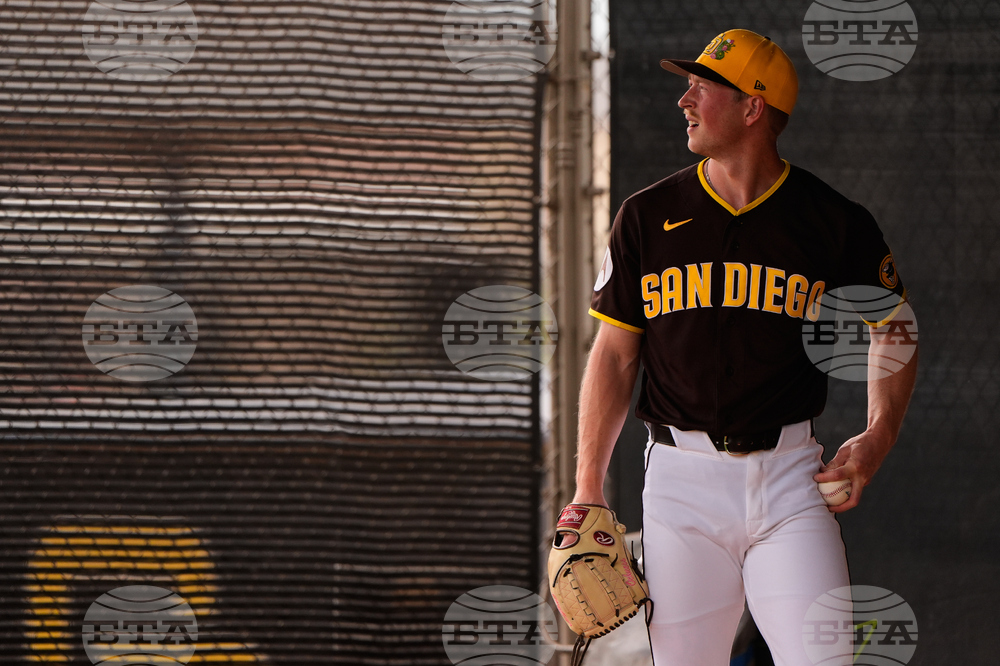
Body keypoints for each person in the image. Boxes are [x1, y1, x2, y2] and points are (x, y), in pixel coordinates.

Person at [571, 29, 918, 665]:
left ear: (753, 107)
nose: (685, 99)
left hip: (791, 481)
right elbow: (615, 356)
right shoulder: (647, 216)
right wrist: (587, 487)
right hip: (681, 487)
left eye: (704, 86)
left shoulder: (831, 220)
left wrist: (876, 437)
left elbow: (894, 326)